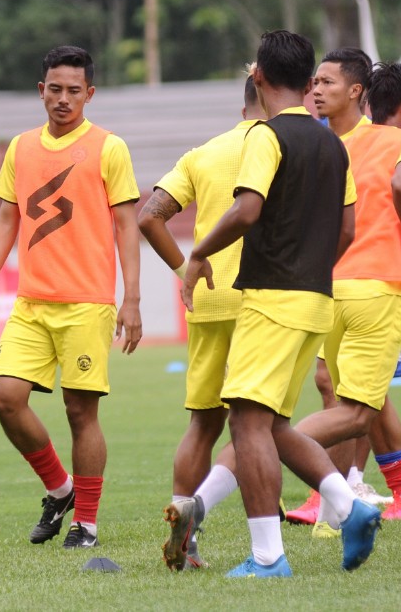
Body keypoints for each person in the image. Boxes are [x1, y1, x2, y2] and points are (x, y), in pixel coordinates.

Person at [178, 29, 380, 578]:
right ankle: (348, 506)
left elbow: (246, 210)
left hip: (271, 297)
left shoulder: (266, 137)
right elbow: (348, 229)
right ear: (307, 77)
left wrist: (197, 255)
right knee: (271, 425)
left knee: (244, 424)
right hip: (315, 298)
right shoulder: (332, 143)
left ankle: (268, 556)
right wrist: (311, 267)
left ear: (259, 78)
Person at [0, 45, 142, 549]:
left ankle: (86, 522)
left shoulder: (110, 147)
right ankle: (59, 488)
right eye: (54, 89)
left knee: (79, 413)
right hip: (31, 303)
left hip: (88, 303)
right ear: (40, 90)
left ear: (89, 94)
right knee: (4, 398)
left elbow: (127, 224)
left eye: (73, 91)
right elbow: (7, 218)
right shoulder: (21, 147)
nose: (63, 99)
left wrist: (131, 298)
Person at [288, 61, 401, 538]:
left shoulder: (329, 147)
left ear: (359, 94)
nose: (318, 91)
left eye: (326, 83)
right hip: (377, 287)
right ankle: (281, 448)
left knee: (351, 399)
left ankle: (338, 504)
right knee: (357, 407)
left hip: (328, 289)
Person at [138, 71, 264, 570]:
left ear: (242, 108)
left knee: (202, 425)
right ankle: (251, 535)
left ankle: (183, 536)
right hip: (264, 301)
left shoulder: (204, 153)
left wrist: (186, 268)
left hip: (210, 302)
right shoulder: (283, 145)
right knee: (261, 425)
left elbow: (149, 215)